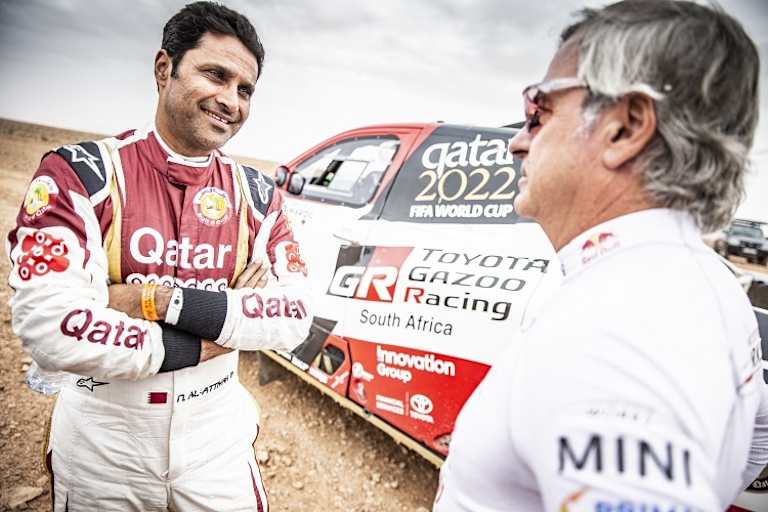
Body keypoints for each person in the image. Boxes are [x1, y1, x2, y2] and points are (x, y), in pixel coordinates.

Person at [434, 1, 768, 510]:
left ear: (626, 127)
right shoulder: (704, 282)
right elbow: (757, 436)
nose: (516, 142)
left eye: (538, 111)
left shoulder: (624, 321)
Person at [7, 2, 311, 510]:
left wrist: (149, 299)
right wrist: (222, 327)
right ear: (164, 68)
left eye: (245, 90)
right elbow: (50, 327)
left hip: (218, 439)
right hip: (103, 443)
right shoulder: (80, 173)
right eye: (216, 75)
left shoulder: (258, 194)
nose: (230, 100)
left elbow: (294, 317)